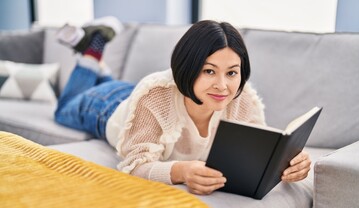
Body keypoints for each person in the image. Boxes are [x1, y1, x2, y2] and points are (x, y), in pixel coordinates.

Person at [55, 17, 311, 195]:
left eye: (232, 73)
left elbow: (260, 150)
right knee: (63, 109)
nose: (223, 86)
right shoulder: (154, 96)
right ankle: (92, 53)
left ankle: (100, 68)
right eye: (209, 71)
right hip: (107, 107)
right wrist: (180, 171)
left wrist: (289, 162)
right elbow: (133, 166)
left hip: (139, 97)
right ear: (187, 67)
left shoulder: (242, 100)